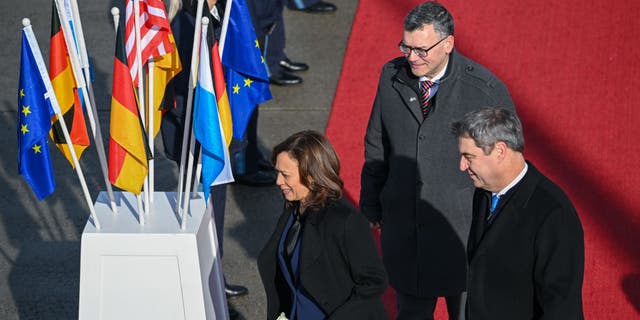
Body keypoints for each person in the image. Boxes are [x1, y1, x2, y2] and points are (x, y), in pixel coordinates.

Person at [359, 2, 516, 319]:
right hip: (407, 235)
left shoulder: (485, 91)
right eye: (406, 46)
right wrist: (372, 204)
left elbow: (508, 167)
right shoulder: (391, 76)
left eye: (421, 50)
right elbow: (377, 144)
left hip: (463, 237)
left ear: (448, 44)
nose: (411, 57)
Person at [451, 107, 584, 319]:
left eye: (469, 156)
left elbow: (562, 308)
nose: (462, 166)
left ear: (500, 151)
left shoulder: (553, 214)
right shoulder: (484, 191)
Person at [163, 0, 248, 313]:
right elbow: (181, 88)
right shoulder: (186, 22)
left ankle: (212, 273)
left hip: (211, 128)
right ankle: (204, 278)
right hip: (196, 133)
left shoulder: (220, 12)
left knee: (213, 207)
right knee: (205, 206)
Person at [258, 130, 389, 320]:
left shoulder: (345, 221)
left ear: (311, 177)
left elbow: (374, 281)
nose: (278, 181)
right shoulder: (293, 209)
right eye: (277, 172)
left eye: (285, 175)